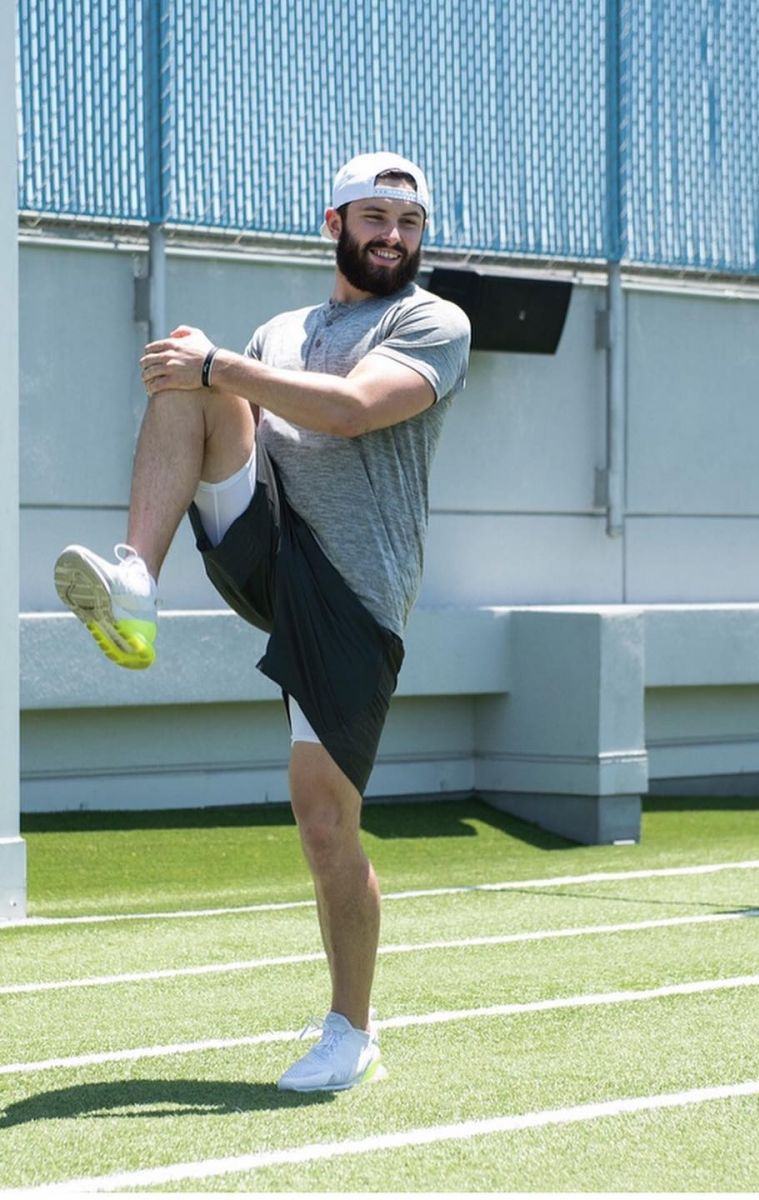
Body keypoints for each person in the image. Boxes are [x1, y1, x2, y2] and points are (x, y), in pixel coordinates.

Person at [53, 152, 471, 1093]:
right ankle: (135, 581)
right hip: (269, 537)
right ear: (335, 223)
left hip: (353, 591)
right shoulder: (281, 330)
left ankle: (352, 1030)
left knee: (325, 821)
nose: (394, 236)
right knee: (193, 368)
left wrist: (225, 366)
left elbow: (360, 410)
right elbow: (227, 393)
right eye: (376, 216)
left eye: (409, 222)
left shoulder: (432, 321)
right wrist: (217, 367)